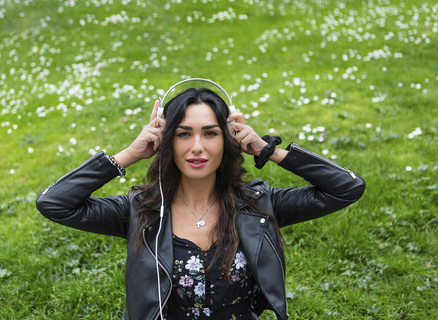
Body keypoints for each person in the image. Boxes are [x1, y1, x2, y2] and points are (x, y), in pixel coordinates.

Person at [36, 86, 365, 320]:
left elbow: (345, 188)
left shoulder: (259, 204)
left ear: (228, 139)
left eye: (210, 133)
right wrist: (129, 154)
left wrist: (270, 151)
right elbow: (55, 203)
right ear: (166, 141)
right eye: (182, 134)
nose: (197, 147)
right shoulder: (140, 209)